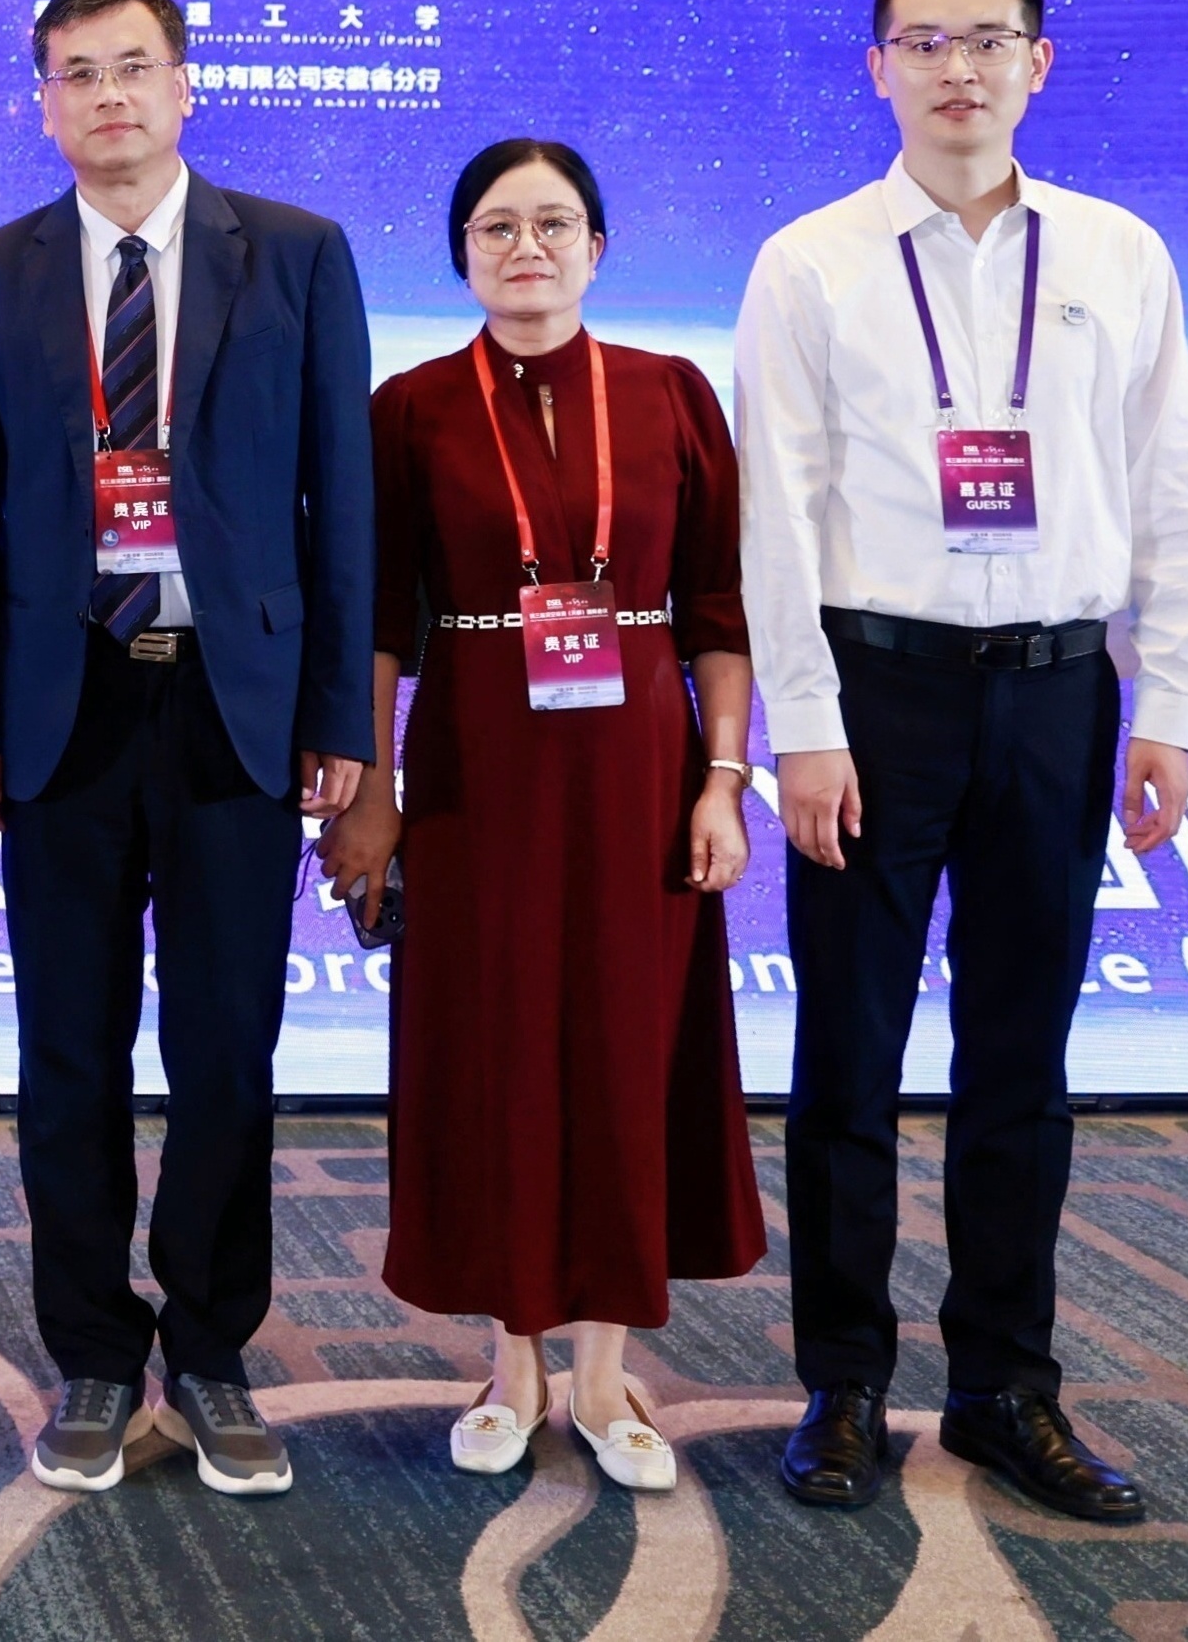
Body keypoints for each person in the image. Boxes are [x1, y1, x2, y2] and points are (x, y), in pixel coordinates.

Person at [736, 0, 1188, 1526]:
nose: (957, 68)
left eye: (987, 39)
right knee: (846, 1058)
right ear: (875, 66)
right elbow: (774, 515)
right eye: (924, 41)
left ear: (1036, 63)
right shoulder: (808, 260)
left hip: (1056, 695)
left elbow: (1169, 488)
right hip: (874, 696)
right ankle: (842, 1382)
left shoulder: (1117, 254)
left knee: (1022, 1059)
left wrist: (1170, 708)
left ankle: (1006, 1388)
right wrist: (802, 726)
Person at [0, 0, 372, 1501]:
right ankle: (89, 1352)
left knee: (225, 1052)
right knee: (66, 1052)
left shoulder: (295, 253)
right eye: (76, 73)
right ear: (42, 103)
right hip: (62, 700)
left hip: (229, 703)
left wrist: (340, 714)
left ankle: (209, 1348)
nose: (107, 95)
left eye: (132, 67)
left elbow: (339, 496)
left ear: (183, 87)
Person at [316, 139, 765, 1493]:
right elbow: (377, 620)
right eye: (497, 227)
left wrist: (723, 778)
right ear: (461, 253)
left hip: (639, 767)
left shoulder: (671, 392)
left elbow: (717, 609)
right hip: (476, 764)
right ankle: (511, 1366)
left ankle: (606, 1374)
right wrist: (373, 788)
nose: (527, 247)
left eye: (554, 224)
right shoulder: (409, 409)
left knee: (625, 1051)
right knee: (495, 1053)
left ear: (596, 247)